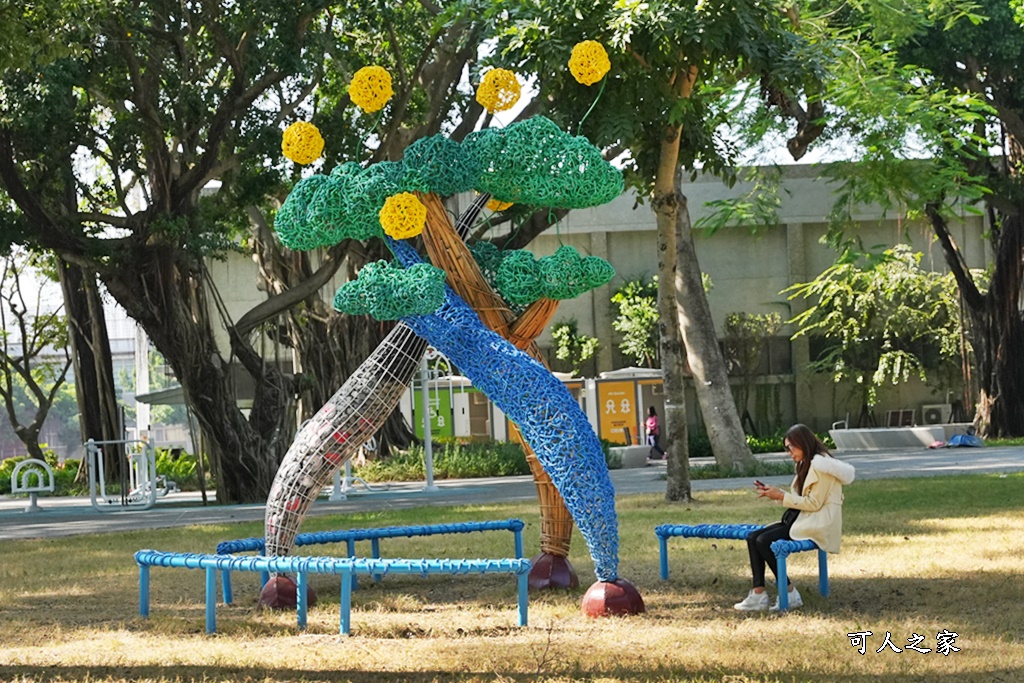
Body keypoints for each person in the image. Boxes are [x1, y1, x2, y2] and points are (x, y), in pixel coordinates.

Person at [733, 424, 855, 611]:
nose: (789, 452)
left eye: (791, 447)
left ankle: (789, 593)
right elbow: (802, 499)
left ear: (803, 443)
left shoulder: (822, 466)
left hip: (818, 523)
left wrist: (781, 496)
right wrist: (776, 493)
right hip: (802, 518)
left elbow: (814, 503)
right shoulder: (807, 463)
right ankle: (758, 594)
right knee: (752, 537)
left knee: (764, 540)